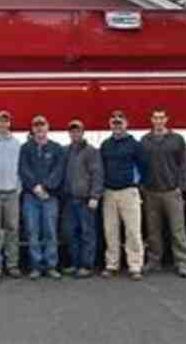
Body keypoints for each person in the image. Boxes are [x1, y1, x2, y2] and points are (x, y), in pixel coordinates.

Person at [140, 108, 186, 278]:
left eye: (161, 118)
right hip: (151, 192)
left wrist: (181, 187)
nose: (159, 121)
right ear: (151, 120)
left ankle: (182, 262)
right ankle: (155, 261)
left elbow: (184, 165)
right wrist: (142, 186)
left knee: (178, 230)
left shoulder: (177, 139)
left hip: (172, 192)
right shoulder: (145, 140)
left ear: (166, 119)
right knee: (153, 230)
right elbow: (140, 165)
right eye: (155, 118)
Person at [100, 110, 147, 281]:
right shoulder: (105, 145)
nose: (117, 125)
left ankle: (135, 266)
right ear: (110, 124)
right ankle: (112, 264)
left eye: (120, 122)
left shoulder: (135, 145)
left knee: (133, 231)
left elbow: (144, 167)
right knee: (110, 231)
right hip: (109, 192)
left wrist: (136, 184)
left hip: (128, 192)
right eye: (114, 122)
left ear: (126, 124)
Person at [19, 115, 65, 280]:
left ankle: (51, 266)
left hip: (50, 197)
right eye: (36, 126)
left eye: (42, 125)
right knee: (32, 232)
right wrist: (35, 187)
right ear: (32, 129)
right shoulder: (25, 148)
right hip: (31, 197)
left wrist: (46, 187)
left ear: (48, 127)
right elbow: (23, 170)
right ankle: (36, 266)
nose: (39, 128)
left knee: (50, 231)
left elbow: (59, 171)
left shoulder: (56, 148)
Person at [61, 119, 103, 279]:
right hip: (69, 199)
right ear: (69, 133)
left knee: (87, 233)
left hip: (86, 200)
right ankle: (75, 263)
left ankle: (87, 265)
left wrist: (95, 196)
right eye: (72, 131)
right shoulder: (66, 151)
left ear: (83, 132)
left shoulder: (91, 151)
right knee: (71, 233)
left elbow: (98, 174)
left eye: (77, 131)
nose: (75, 134)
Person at [0, 110, 22, 278]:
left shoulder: (16, 143)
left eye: (5, 121)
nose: (2, 124)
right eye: (0, 121)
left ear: (9, 123)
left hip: (12, 193)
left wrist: (18, 187)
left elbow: (19, 168)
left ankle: (12, 265)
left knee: (13, 229)